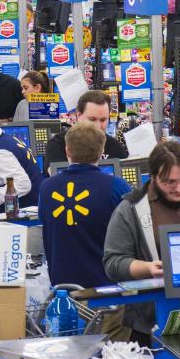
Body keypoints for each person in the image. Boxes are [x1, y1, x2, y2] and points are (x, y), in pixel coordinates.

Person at [103, 140, 180, 345]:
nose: (179, 188)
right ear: (153, 177)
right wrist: (148, 268)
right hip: (152, 324)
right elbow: (113, 263)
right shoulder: (131, 209)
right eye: (169, 182)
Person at [39, 122, 131, 287]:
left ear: (67, 151)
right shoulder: (117, 187)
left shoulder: (47, 187)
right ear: (102, 152)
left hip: (62, 291)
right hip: (106, 292)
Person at [44, 90, 128, 175]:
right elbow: (55, 175)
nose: (98, 126)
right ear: (79, 115)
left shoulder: (115, 147)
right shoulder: (58, 144)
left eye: (103, 120)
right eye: (92, 119)